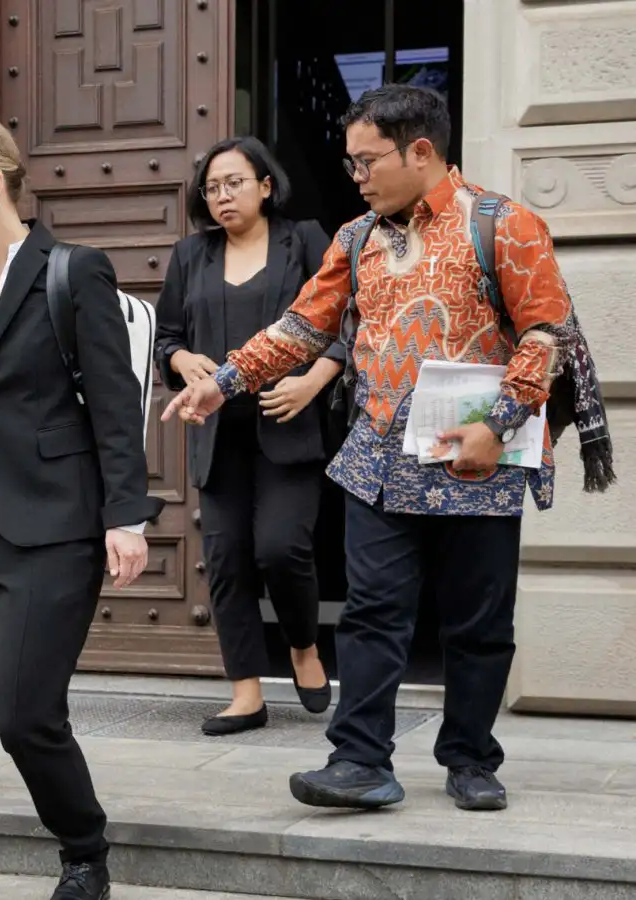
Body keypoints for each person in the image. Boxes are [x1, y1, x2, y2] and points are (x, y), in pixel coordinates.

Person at [164, 85, 609, 813]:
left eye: (367, 161)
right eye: (351, 163)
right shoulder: (355, 237)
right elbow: (305, 327)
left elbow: (545, 336)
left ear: (421, 152)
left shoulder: (505, 224)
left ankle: (470, 756)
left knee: (478, 620)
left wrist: (497, 424)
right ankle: (360, 760)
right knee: (373, 612)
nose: (357, 175)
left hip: (480, 459)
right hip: (377, 457)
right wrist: (226, 381)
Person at [0, 115, 164, 900]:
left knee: (24, 717)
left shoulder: (74, 271)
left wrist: (126, 516)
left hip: (52, 526)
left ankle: (84, 846)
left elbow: (116, 407)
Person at [153, 136, 337, 736]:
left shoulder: (304, 239)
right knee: (227, 560)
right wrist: (182, 363)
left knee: (282, 549)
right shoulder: (190, 255)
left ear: (265, 184)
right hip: (217, 434)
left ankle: (304, 648)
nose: (222, 195)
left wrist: (311, 382)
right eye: (211, 187)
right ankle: (246, 692)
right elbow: (167, 338)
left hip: (288, 423)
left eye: (234, 182)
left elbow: (343, 319)